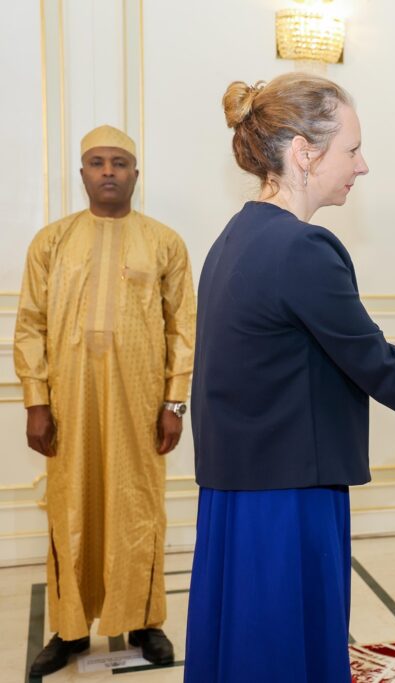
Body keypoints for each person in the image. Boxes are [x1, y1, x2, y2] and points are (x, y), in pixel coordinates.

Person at [183, 73, 395, 682]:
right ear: (304, 152)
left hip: (236, 487)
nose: (363, 166)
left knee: (243, 645)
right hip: (287, 494)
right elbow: (378, 366)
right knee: (283, 652)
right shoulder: (302, 248)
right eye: (352, 149)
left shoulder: (234, 237)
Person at [15, 125, 194, 675]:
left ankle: (144, 621)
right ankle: (69, 628)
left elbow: (183, 328)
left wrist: (174, 403)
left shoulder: (164, 242)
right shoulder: (52, 242)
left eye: (119, 162)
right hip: (68, 404)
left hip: (140, 403)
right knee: (70, 506)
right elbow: (30, 324)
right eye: (97, 162)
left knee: (138, 507)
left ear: (136, 173)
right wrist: (36, 402)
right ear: (83, 173)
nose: (109, 171)